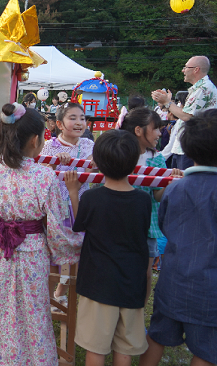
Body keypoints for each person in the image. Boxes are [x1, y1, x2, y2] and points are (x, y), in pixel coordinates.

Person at [0, 102, 83, 365]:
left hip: (0, 252)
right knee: (34, 313)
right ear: (36, 140)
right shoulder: (44, 176)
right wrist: (77, 243)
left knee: (3, 312)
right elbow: (57, 227)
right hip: (32, 253)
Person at [139, 109, 217, 366]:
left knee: (157, 337)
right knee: (206, 351)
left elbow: (165, 224)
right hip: (209, 289)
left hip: (172, 281)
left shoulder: (174, 188)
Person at [72, 129, 152, 366]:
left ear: (99, 163)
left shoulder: (92, 198)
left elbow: (80, 225)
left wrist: (73, 192)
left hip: (98, 282)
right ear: (133, 162)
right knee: (124, 349)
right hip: (132, 282)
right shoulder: (143, 200)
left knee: (96, 348)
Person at [120, 108, 183, 303]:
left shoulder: (157, 159)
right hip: (121, 223)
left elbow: (158, 196)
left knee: (146, 273)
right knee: (122, 270)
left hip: (148, 225)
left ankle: (138, 310)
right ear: (138, 130)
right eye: (156, 129)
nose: (159, 133)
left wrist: (169, 184)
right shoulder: (119, 155)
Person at [39, 102, 94, 308]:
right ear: (60, 124)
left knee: (77, 248)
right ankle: (47, 295)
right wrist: (54, 161)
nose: (79, 122)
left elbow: (96, 168)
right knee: (53, 250)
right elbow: (42, 171)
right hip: (56, 206)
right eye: (73, 118)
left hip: (79, 203)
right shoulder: (50, 145)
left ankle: (61, 292)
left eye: (82, 118)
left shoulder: (89, 145)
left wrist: (92, 161)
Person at [151, 56, 217, 170]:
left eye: (185, 67)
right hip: (186, 147)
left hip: (193, 147)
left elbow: (187, 116)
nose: (183, 70)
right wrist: (167, 101)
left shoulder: (203, 89)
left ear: (196, 69)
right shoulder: (200, 88)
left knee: (188, 184)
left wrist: (167, 102)